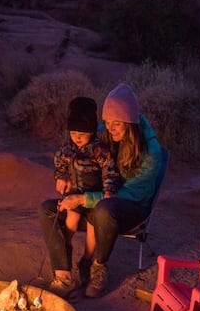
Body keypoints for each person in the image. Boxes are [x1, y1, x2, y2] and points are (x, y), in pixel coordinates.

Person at [38, 83, 164, 299]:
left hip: (130, 208)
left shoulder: (150, 153)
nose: (110, 129)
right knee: (47, 209)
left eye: (117, 124)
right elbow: (76, 146)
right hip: (98, 200)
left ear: (131, 124)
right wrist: (65, 174)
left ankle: (98, 266)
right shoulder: (103, 135)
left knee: (105, 207)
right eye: (107, 123)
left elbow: (128, 195)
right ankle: (64, 275)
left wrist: (83, 198)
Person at [52, 97, 119, 274]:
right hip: (75, 192)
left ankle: (87, 260)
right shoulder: (68, 149)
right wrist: (61, 176)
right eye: (73, 133)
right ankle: (65, 249)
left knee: (92, 228)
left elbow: (109, 171)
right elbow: (59, 164)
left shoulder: (99, 150)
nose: (77, 138)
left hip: (95, 197)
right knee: (71, 219)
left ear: (91, 131)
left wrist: (108, 191)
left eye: (81, 134)